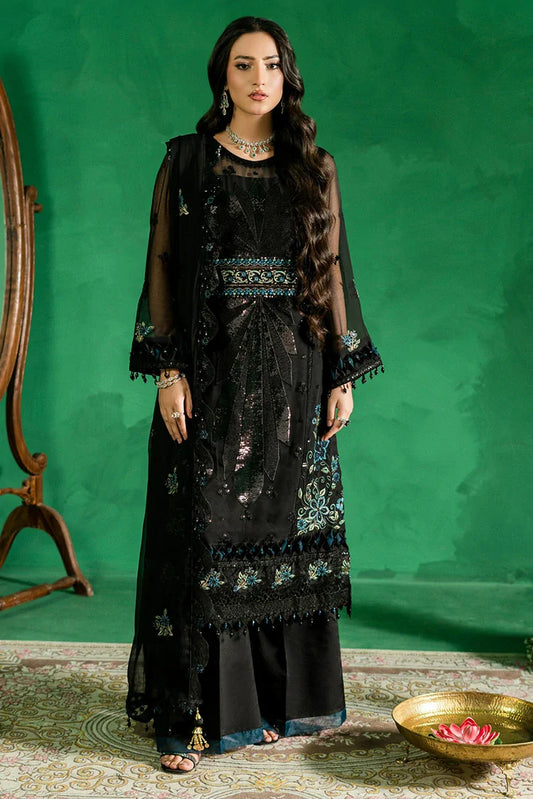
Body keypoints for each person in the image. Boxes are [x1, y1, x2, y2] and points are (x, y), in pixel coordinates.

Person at [126, 16, 383, 774]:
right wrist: (169, 372)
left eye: (271, 65)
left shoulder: (315, 166)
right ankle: (192, 717)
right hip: (212, 374)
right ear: (223, 77)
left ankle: (265, 706)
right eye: (243, 65)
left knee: (282, 531)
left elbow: (333, 270)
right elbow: (162, 268)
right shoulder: (187, 161)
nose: (258, 78)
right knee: (203, 535)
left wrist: (340, 374)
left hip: (295, 374)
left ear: (286, 76)